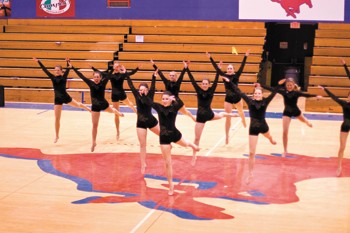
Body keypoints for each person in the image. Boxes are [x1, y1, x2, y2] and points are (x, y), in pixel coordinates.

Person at [185, 61, 238, 165]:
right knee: (196, 138)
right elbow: (192, 80)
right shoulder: (198, 90)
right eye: (203, 84)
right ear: (201, 84)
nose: (204, 85)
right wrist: (187, 69)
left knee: (221, 115)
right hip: (200, 117)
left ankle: (230, 114)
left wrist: (218, 69)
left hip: (209, 114)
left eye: (206, 84)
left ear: (209, 85)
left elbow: (217, 79)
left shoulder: (211, 90)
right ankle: (194, 156)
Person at [227, 80, 277, 182]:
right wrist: (230, 82)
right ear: (253, 95)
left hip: (263, 126)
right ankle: (250, 174)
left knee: (268, 136)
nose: (257, 95)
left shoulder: (265, 101)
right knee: (251, 152)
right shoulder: (250, 101)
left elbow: (275, 91)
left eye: (259, 93)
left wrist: (262, 85)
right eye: (256, 93)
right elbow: (239, 91)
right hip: (253, 129)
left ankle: (270, 138)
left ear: (262, 95)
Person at [33, 57, 91, 143]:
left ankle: (88, 109)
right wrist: (39, 62)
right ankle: (57, 136)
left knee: (78, 105)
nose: (56, 71)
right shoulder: (52, 77)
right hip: (57, 99)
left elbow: (68, 68)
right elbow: (45, 70)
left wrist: (68, 61)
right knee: (57, 118)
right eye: (55, 70)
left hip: (65, 97)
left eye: (58, 70)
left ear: (61, 71)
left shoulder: (64, 77)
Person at [152, 91, 199, 195]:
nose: (164, 101)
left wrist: (175, 99)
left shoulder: (174, 107)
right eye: (163, 99)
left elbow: (181, 103)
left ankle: (192, 146)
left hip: (174, 134)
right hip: (163, 138)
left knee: (186, 144)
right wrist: (144, 91)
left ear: (170, 100)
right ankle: (171, 186)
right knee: (167, 163)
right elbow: (148, 101)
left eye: (166, 99)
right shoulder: (159, 107)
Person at [69, 61, 124, 152]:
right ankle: (94, 142)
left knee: (113, 111)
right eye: (95, 77)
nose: (96, 78)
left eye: (98, 77)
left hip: (104, 104)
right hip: (95, 107)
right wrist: (72, 67)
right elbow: (81, 76)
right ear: (93, 77)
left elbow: (109, 75)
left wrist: (114, 68)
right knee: (95, 125)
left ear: (100, 78)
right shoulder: (91, 84)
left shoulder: (103, 83)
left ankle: (118, 112)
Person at [263, 78, 320, 157]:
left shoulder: (296, 93)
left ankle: (306, 121)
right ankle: (285, 150)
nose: (289, 86)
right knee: (285, 132)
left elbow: (306, 95)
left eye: (290, 85)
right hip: (287, 113)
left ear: (293, 85)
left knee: (304, 121)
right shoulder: (283, 92)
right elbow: (272, 89)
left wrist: (316, 96)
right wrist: (261, 85)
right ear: (286, 86)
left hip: (296, 111)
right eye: (288, 85)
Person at [207, 50, 250, 144]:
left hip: (237, 98)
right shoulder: (224, 75)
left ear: (233, 70)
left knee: (241, 112)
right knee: (228, 117)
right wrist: (210, 58)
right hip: (228, 99)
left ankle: (243, 120)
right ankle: (227, 136)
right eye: (228, 68)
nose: (230, 69)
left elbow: (242, 67)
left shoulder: (236, 75)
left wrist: (245, 56)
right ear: (227, 70)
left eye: (231, 68)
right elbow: (216, 69)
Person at [92, 61, 138, 140]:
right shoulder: (111, 76)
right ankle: (117, 131)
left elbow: (131, 73)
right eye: (115, 67)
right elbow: (100, 73)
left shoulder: (122, 74)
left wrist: (137, 68)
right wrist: (92, 68)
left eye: (117, 67)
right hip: (114, 96)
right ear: (113, 67)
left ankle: (137, 113)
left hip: (122, 94)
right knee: (116, 114)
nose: (116, 68)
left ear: (119, 67)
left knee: (130, 104)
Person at [126, 70, 160, 174]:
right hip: (140, 123)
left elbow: (153, 86)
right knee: (142, 145)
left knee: (164, 134)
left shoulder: (150, 96)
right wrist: (126, 74)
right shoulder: (137, 96)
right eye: (140, 90)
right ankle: (143, 164)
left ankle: (168, 149)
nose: (141, 91)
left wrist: (154, 76)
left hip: (151, 121)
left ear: (147, 90)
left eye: (143, 90)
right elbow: (130, 85)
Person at [318, 86, 350, 176]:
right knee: (342, 147)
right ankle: (339, 166)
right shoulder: (344, 103)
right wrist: (325, 89)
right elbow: (334, 97)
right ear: (348, 97)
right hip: (345, 126)